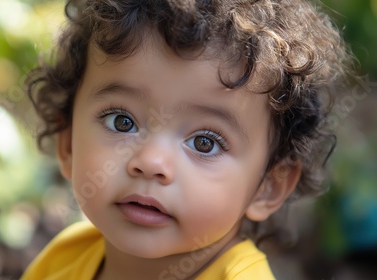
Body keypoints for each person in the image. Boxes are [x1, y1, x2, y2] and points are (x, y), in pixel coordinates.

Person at [22, 0, 352, 279]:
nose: (150, 162)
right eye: (122, 122)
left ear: (268, 185)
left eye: (204, 143)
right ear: (67, 144)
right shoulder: (65, 258)